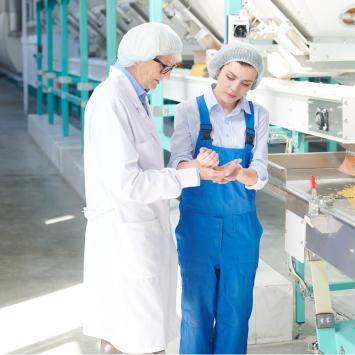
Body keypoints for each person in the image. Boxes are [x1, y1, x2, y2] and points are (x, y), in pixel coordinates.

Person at [82, 22, 224, 354]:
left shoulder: (134, 96)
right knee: (134, 336)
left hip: (137, 230)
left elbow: (141, 166)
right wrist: (190, 177)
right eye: (166, 66)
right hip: (125, 235)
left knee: (135, 333)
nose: (168, 75)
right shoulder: (111, 101)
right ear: (143, 58)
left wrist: (188, 168)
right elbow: (129, 184)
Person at [169, 42, 269, 354]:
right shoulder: (189, 111)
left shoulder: (258, 116)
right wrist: (199, 166)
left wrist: (240, 173)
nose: (234, 87)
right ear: (217, 71)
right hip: (198, 225)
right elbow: (177, 164)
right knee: (196, 312)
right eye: (230, 77)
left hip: (242, 227)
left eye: (245, 84)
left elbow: (261, 173)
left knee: (236, 313)